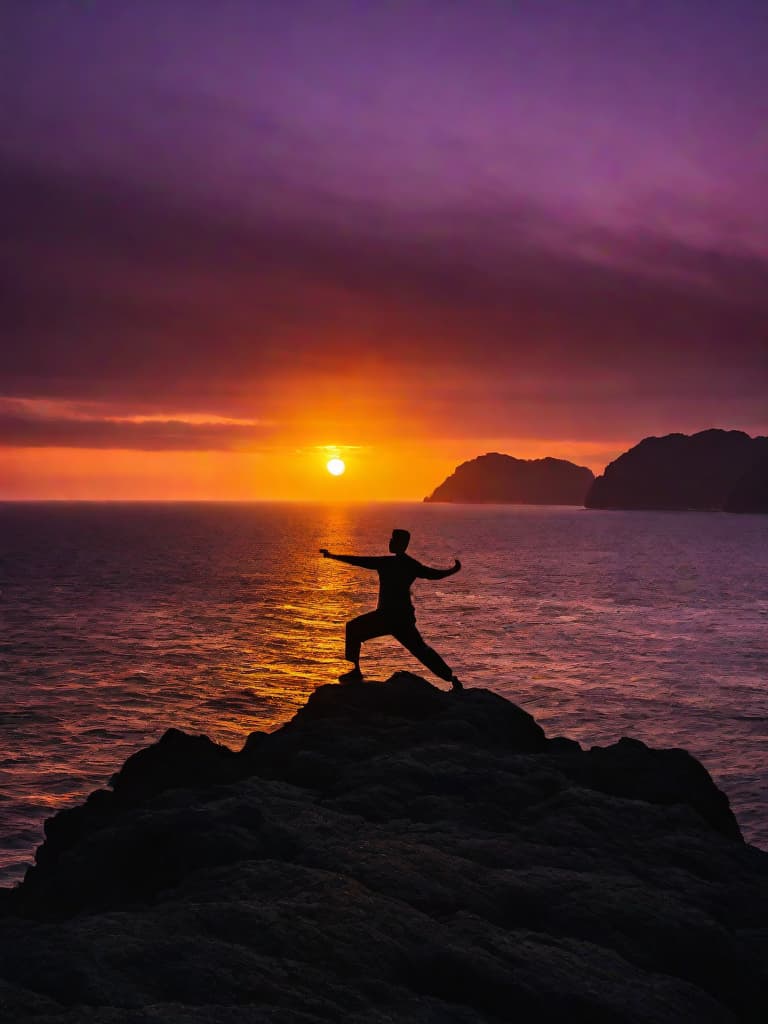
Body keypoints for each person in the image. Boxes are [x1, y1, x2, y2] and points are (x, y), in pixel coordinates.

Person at [319, 528, 463, 691]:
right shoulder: (411, 565)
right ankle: (451, 679)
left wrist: (332, 556)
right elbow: (433, 574)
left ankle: (356, 672)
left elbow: (359, 561)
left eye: (393, 540)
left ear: (401, 544)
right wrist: (452, 570)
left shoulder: (388, 563)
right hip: (401, 618)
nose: (390, 542)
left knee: (354, 628)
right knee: (421, 650)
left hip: (388, 617)